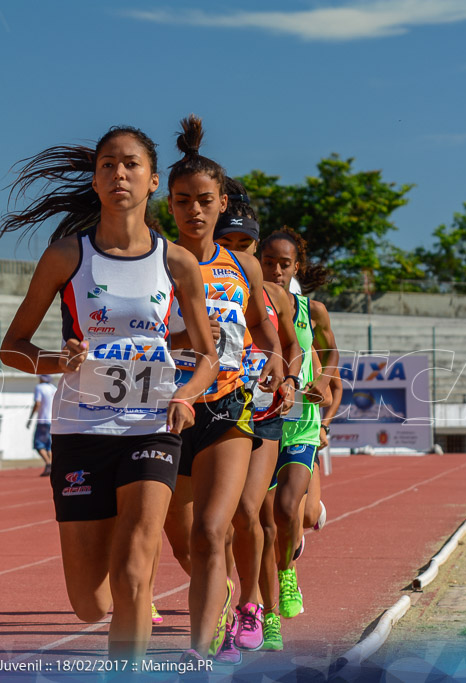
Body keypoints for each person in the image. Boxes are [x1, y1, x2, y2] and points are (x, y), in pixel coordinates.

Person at [0, 125, 219, 661]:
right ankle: (122, 610)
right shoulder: (67, 256)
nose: (119, 173)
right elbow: (13, 348)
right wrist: (57, 360)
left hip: (153, 427)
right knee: (90, 602)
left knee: (132, 575)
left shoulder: (176, 263)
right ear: (95, 181)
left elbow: (208, 357)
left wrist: (186, 395)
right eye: (108, 165)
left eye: (131, 164)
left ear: (153, 181)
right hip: (81, 429)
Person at [160, 115, 283, 665]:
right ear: (169, 205)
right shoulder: (153, 265)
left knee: (218, 527)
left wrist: (277, 359)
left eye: (204, 200)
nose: (194, 210)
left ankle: (212, 639)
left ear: (222, 203)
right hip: (162, 410)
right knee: (182, 537)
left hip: (228, 404)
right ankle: (225, 594)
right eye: (183, 201)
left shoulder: (243, 265)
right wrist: (190, 335)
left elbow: (262, 328)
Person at [213, 181, 302, 653]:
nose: (236, 254)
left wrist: (288, 380)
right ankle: (225, 604)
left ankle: (257, 610)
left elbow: (290, 344)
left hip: (263, 411)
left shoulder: (274, 296)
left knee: (250, 511)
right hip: (220, 407)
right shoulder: (201, 280)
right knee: (217, 524)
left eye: (244, 246)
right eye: (226, 245)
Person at [257, 227, 338, 647]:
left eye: (283, 263)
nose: (274, 269)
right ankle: (263, 612)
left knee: (289, 510)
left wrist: (322, 381)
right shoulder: (249, 303)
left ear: (296, 267)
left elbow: (331, 353)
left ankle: (287, 575)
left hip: (302, 422)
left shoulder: (313, 310)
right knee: (263, 524)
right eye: (268, 260)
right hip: (260, 422)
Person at [27, 375, 56, 476]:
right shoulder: (53, 388)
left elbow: (37, 403)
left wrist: (30, 418)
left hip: (43, 420)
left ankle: (48, 464)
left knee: (38, 444)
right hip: (52, 420)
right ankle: (51, 465)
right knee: (49, 446)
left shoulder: (39, 388)